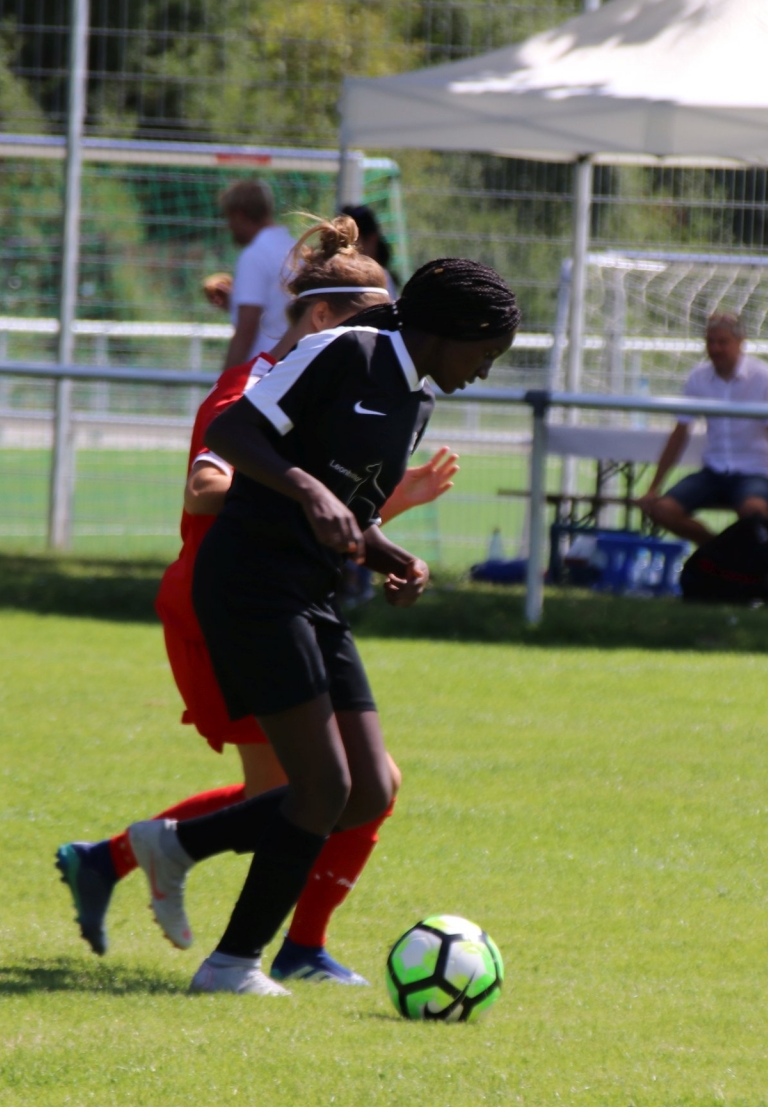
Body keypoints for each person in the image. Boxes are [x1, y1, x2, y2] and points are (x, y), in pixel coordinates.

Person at [55, 216, 459, 985]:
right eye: (373, 320)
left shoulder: (360, 386)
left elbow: (329, 511)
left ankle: (277, 935)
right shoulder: (255, 385)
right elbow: (207, 486)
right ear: (322, 316)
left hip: (287, 595)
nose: (385, 338)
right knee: (307, 792)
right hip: (224, 603)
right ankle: (149, 871)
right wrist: (311, 493)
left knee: (351, 787)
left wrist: (383, 510)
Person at [126, 257, 519, 997]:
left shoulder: (416, 401)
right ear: (450, 330)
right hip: (248, 582)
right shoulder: (344, 351)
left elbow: (351, 514)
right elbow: (233, 432)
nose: (484, 371)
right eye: (485, 353)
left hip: (310, 592)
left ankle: (177, 844)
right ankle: (232, 964)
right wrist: (306, 488)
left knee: (366, 789)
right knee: (322, 786)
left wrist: (393, 557)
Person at [639, 310, 768, 547]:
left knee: (753, 511)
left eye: (723, 342)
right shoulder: (698, 376)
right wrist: (653, 489)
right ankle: (718, 550)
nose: (715, 349)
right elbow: (679, 434)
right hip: (714, 472)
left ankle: (724, 558)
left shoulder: (765, 377)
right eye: (710, 342)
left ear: (741, 342)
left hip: (757, 473)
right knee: (662, 509)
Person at [200, 180, 299, 369]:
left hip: (261, 369)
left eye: (228, 218)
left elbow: (247, 328)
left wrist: (226, 381)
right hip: (290, 366)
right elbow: (277, 312)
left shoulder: (254, 255)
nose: (228, 226)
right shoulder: (293, 247)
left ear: (239, 215)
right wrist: (234, 303)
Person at [339, 203, 400, 298]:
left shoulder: (380, 281)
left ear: (372, 239)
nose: (342, 251)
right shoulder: (336, 280)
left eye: (348, 243)